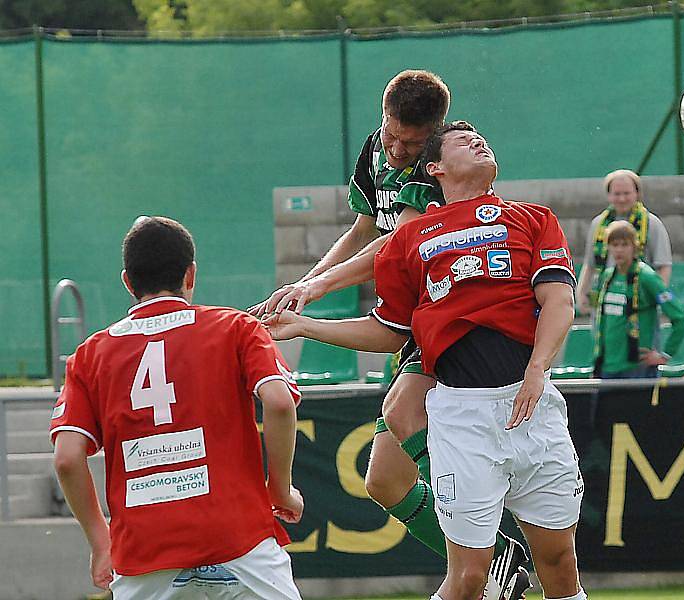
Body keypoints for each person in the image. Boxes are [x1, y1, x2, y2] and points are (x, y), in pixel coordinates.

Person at [266, 121, 586, 600]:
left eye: (483, 138)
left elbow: (559, 300)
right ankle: (498, 558)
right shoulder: (412, 238)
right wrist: (306, 325)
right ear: (433, 167)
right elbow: (389, 331)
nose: (480, 141)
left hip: (533, 408)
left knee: (561, 565)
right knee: (471, 577)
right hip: (463, 417)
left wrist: (538, 367)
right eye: (464, 140)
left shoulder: (533, 218)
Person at [50, 216, 303, 600]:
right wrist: (279, 490)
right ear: (191, 275)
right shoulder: (235, 327)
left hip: (144, 552)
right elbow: (280, 403)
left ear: (128, 282)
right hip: (239, 539)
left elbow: (67, 459)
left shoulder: (90, 355)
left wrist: (101, 542)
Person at [593, 220, 684, 379]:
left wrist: (665, 355)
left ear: (634, 247)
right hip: (607, 366)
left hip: (637, 368)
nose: (619, 250)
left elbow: (680, 317)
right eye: (614, 244)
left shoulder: (647, 277)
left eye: (624, 245)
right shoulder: (607, 276)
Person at [576, 169, 673, 315]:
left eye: (626, 193)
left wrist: (654, 299)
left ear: (637, 194)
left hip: (639, 302)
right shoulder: (598, 224)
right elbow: (590, 264)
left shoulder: (651, 223)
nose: (622, 199)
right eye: (617, 194)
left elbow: (663, 265)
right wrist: (581, 294)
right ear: (609, 195)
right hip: (606, 300)